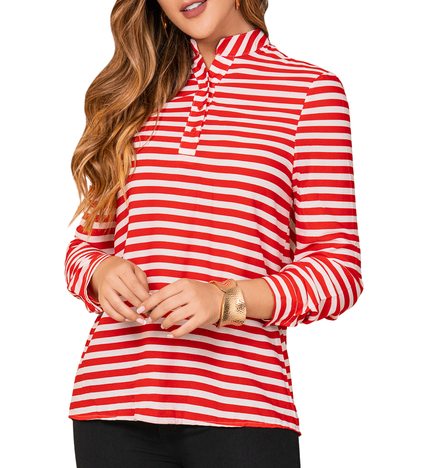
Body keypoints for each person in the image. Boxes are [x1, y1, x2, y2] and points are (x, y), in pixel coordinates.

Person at [64, 0, 364, 466]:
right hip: (113, 405)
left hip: (243, 409)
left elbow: (339, 269)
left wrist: (226, 300)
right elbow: (84, 249)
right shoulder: (134, 95)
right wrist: (102, 273)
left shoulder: (309, 93)